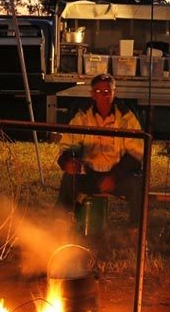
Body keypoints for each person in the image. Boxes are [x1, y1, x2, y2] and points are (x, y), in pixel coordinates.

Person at [57, 73, 145, 238]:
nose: (103, 96)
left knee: (137, 184)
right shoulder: (82, 117)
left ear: (114, 93)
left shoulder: (126, 118)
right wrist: (68, 161)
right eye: (98, 92)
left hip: (118, 176)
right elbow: (68, 144)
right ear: (92, 94)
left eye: (107, 92)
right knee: (69, 179)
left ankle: (136, 233)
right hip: (91, 174)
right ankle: (60, 227)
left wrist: (115, 176)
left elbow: (136, 153)